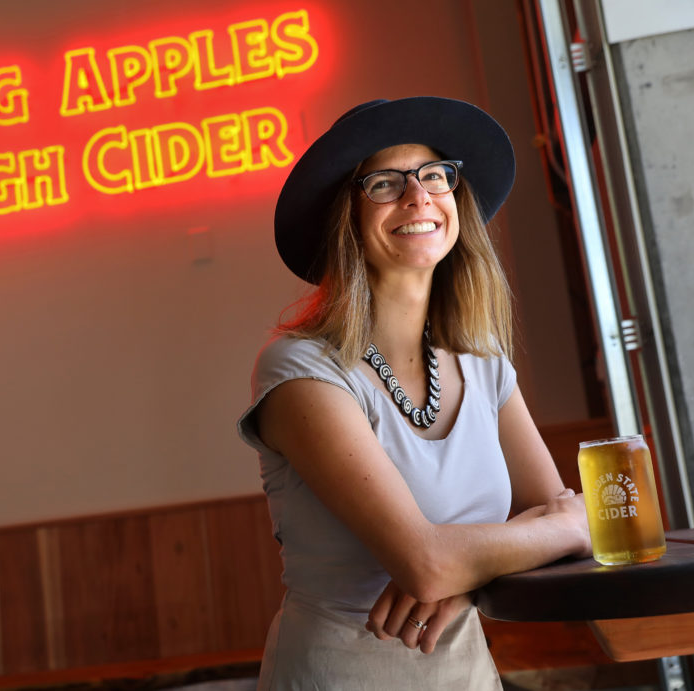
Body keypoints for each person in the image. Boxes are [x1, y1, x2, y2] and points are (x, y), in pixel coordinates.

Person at [236, 96, 592, 689]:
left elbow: (535, 520)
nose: (419, 195)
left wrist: (468, 572)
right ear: (343, 216)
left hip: (469, 674)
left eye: (434, 175)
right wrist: (571, 526)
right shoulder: (299, 371)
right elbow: (426, 564)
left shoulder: (484, 362)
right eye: (384, 183)